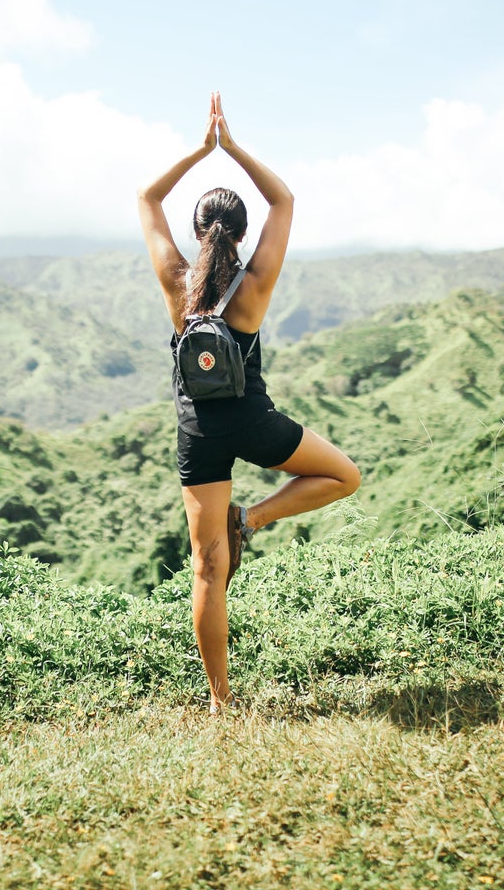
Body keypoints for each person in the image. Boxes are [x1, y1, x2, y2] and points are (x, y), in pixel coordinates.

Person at [137, 92, 361, 713]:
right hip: (254, 422)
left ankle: (219, 704)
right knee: (343, 475)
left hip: (197, 434)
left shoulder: (175, 282)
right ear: (239, 235)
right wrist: (233, 148)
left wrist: (200, 149)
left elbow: (147, 199)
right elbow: (283, 200)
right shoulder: (254, 286)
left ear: (196, 232)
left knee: (207, 571)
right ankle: (253, 519)